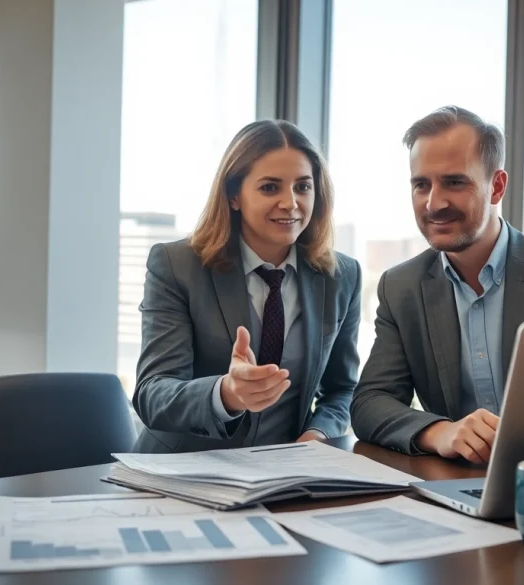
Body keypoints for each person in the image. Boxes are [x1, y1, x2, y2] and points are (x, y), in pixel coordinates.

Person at [350, 106, 524, 463]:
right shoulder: (401, 287)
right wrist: (441, 432)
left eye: (454, 182)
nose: (434, 203)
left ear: (496, 186)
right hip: (457, 484)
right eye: (421, 185)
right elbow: (371, 402)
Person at [131, 120, 361, 454]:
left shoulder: (341, 276)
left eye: (303, 187)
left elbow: (341, 389)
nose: (290, 203)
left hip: (286, 475)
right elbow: (153, 393)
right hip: (182, 470)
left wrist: (318, 435)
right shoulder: (176, 265)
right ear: (234, 195)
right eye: (270, 187)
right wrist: (226, 393)